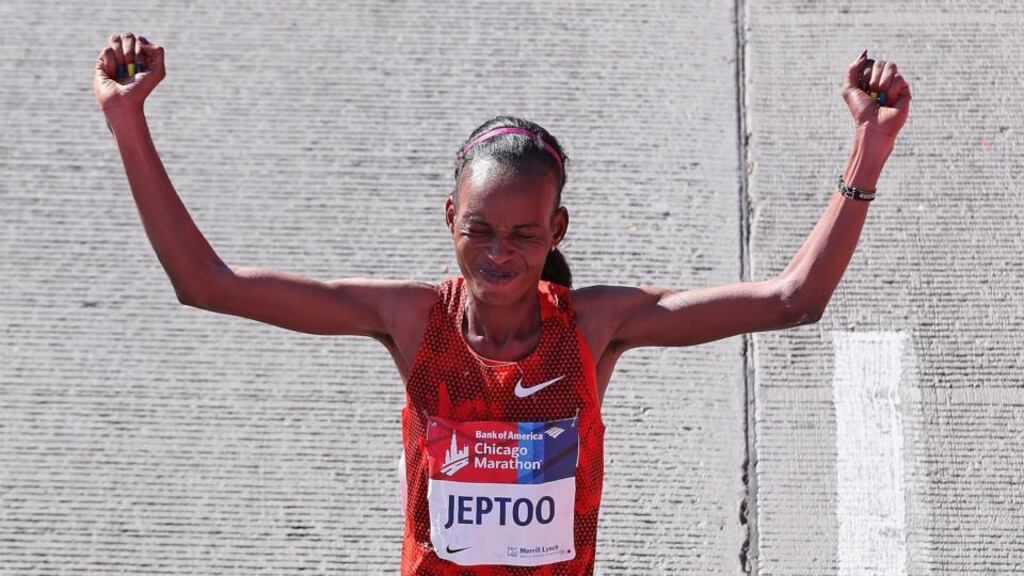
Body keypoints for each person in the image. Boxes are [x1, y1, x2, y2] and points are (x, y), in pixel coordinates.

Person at [94, 33, 910, 575]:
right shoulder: (414, 321)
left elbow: (793, 299)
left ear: (556, 227)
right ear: (450, 219)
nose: (499, 253)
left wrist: (867, 149)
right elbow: (207, 285)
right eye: (479, 229)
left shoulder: (593, 330)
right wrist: (126, 121)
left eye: (523, 233)